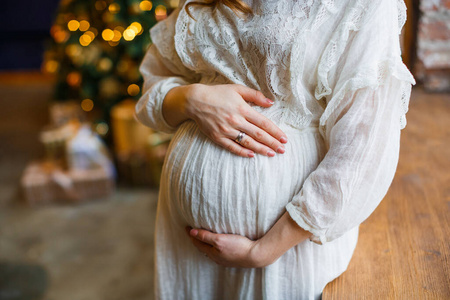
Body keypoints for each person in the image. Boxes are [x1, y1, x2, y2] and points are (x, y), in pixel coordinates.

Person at [135, 0, 415, 299]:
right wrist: (192, 98)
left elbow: (364, 143)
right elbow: (154, 83)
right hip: (184, 243)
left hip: (284, 250)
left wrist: (263, 251)